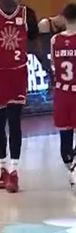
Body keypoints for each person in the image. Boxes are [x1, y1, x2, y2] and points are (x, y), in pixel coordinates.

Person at [0, 0, 44, 193]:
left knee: (15, 123)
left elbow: (36, 43)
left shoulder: (27, 14)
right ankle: (3, 168)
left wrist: (47, 67)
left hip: (17, 75)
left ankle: (14, 171)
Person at [51, 3, 76, 188]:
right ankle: (74, 170)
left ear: (64, 18)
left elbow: (53, 65)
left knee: (65, 138)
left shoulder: (55, 40)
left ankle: (71, 167)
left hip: (62, 92)